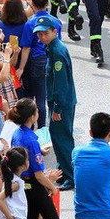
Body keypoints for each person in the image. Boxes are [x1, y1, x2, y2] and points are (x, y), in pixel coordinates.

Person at [33, 15, 77, 190]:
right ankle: (63, 170)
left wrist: (57, 107)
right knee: (59, 137)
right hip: (60, 102)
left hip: (62, 103)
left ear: (54, 31)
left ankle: (70, 175)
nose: (41, 37)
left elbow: (60, 83)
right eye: (39, 34)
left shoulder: (57, 52)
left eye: (45, 33)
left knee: (62, 138)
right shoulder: (52, 48)